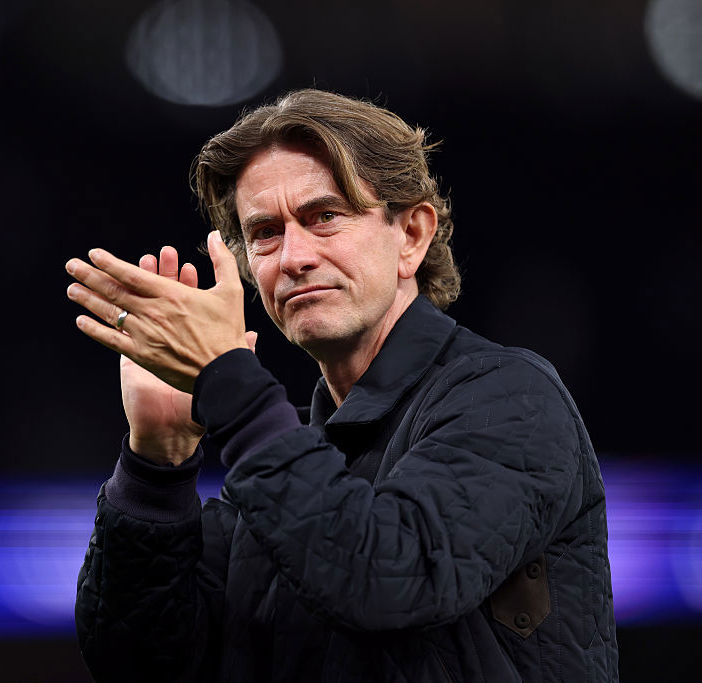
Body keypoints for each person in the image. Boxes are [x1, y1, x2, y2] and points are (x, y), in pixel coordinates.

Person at [65, 89, 617, 682]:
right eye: (265, 232)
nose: (293, 257)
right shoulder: (276, 473)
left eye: (324, 216)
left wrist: (230, 384)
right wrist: (157, 463)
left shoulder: (512, 398)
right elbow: (138, 662)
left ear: (412, 235)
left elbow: (387, 581)